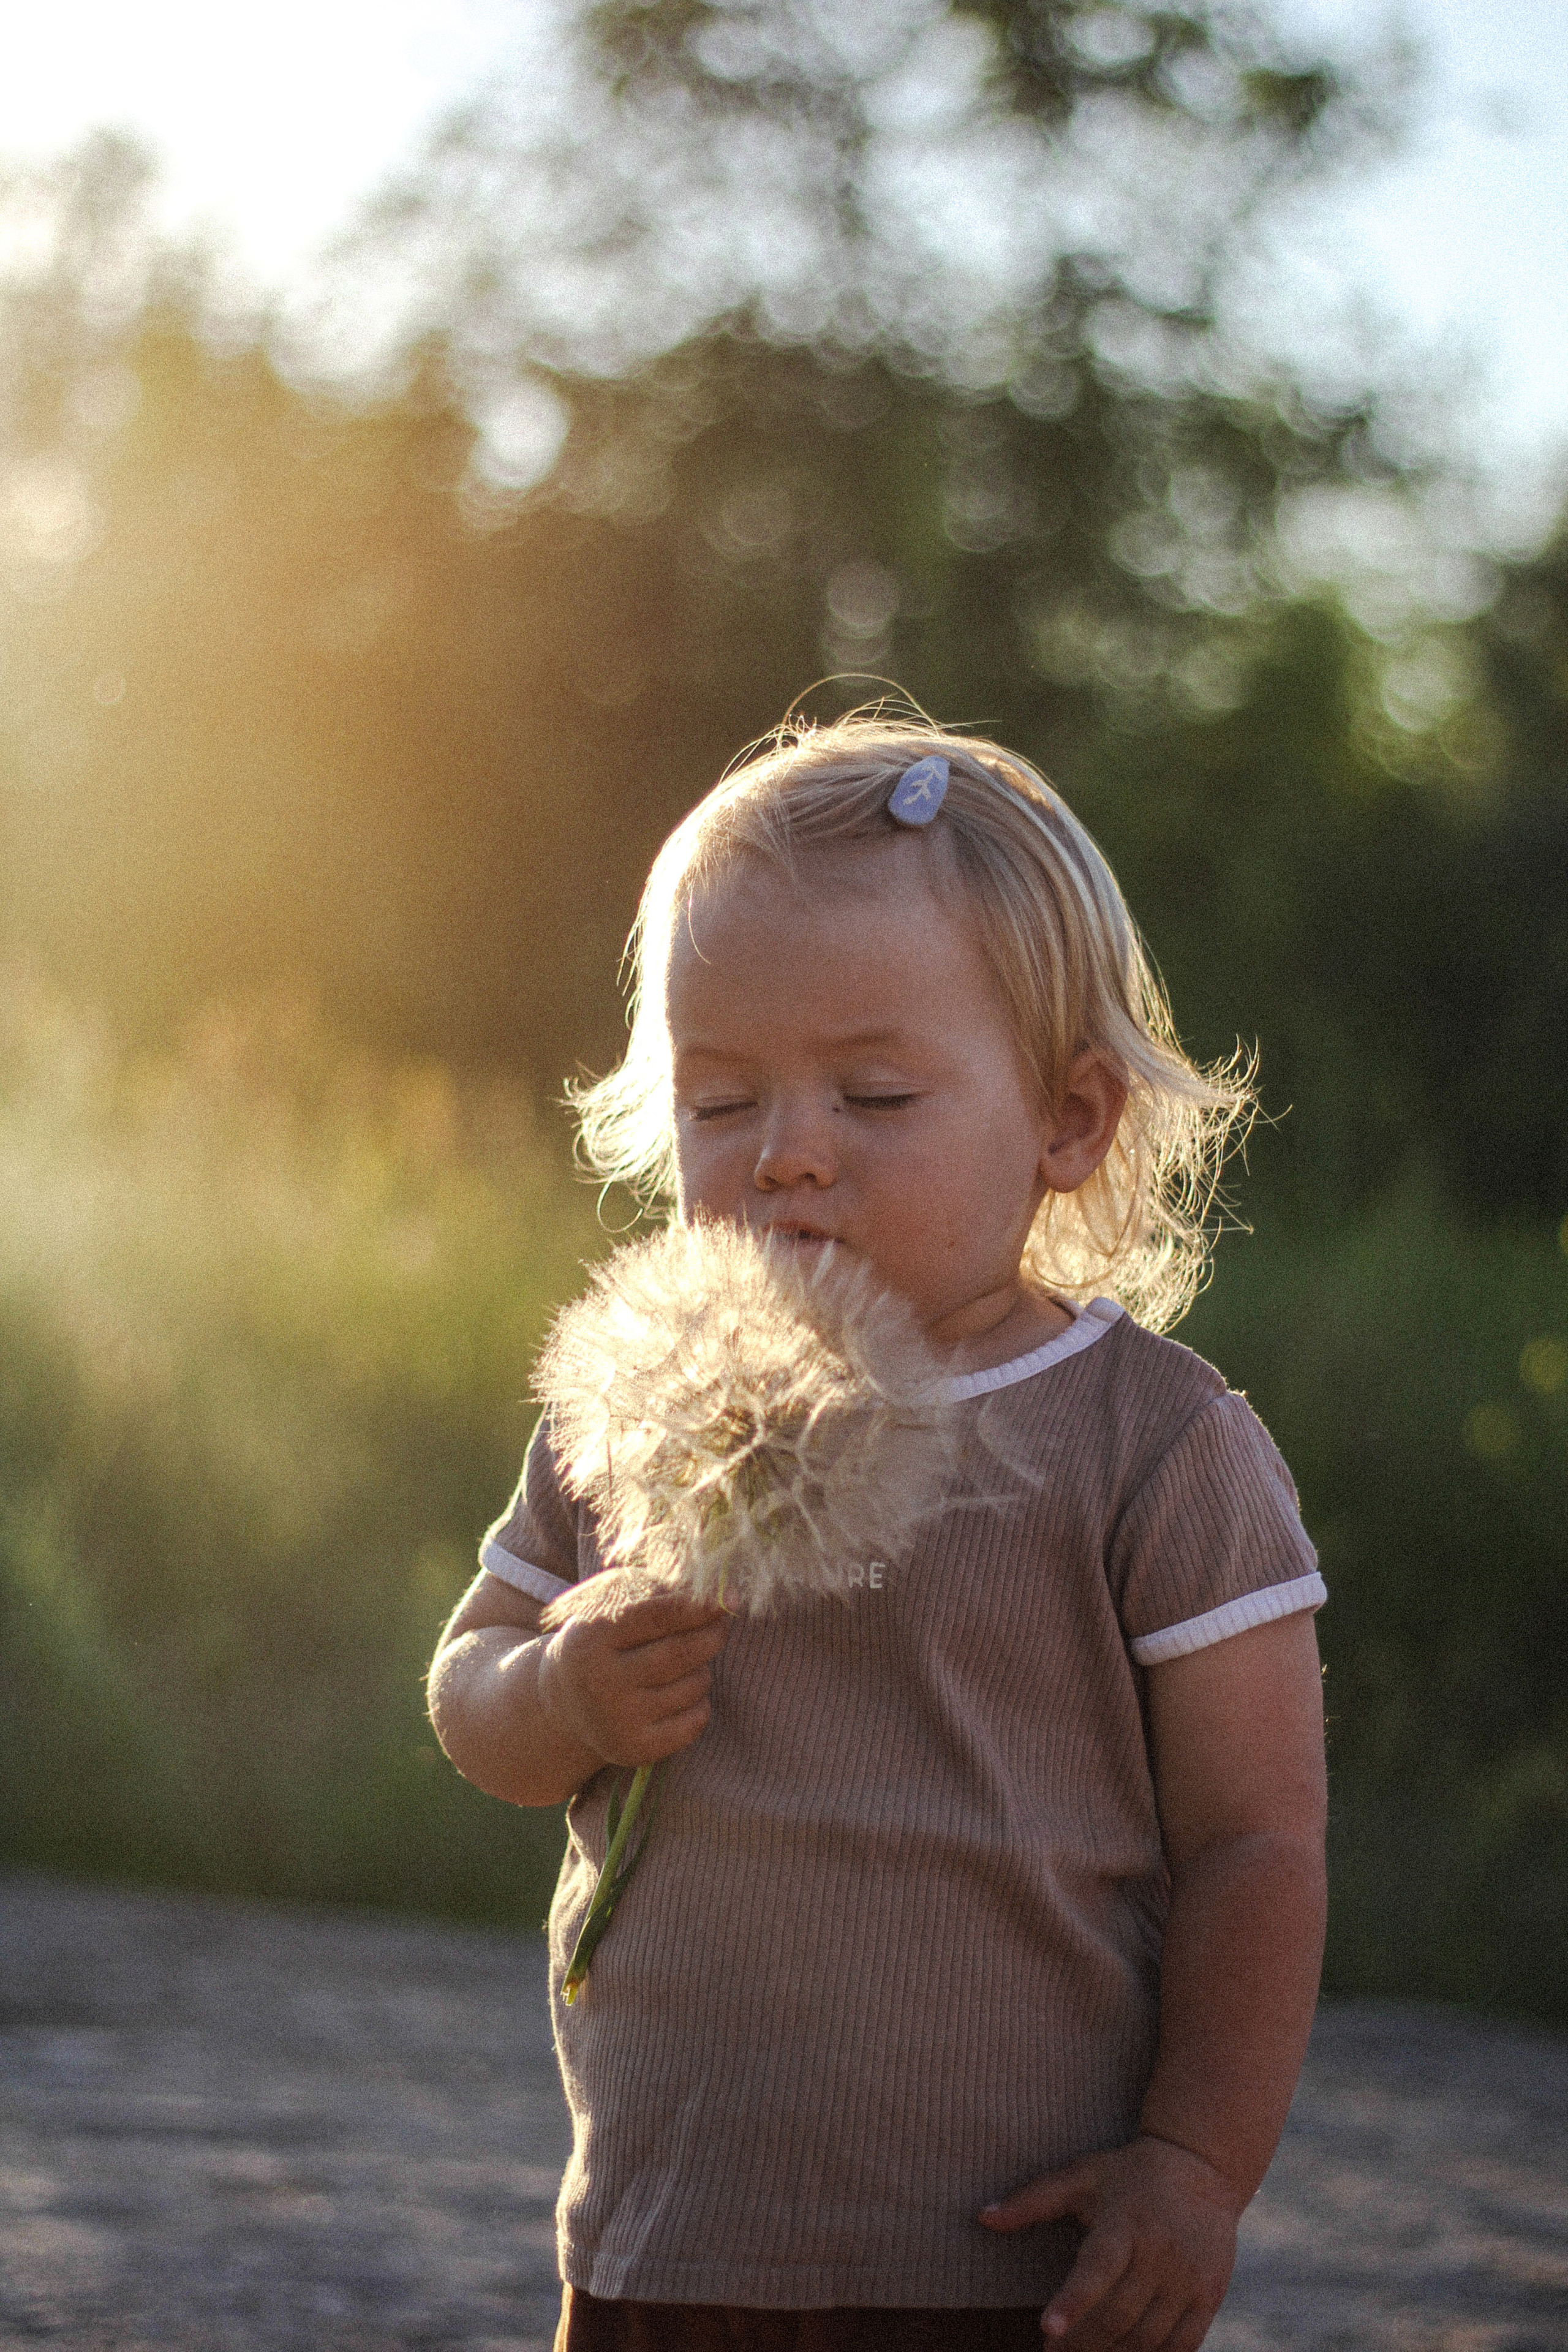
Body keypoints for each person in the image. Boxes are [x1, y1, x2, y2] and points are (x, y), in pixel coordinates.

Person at [427, 717, 1329, 2352]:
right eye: (719, 1099)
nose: (786, 1151)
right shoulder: (635, 1404)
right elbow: (470, 1688)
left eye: (877, 1090)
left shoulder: (1156, 1445)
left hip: (1004, 2268)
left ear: (1070, 1122)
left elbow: (1259, 1842)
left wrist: (1196, 2167)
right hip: (667, 2245)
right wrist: (556, 1694)